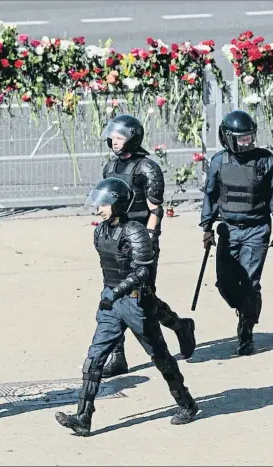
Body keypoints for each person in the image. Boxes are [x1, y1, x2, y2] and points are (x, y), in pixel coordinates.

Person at [55, 177, 198, 436]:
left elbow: (143, 270)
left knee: (161, 357)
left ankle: (186, 404)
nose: (98, 208)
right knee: (94, 359)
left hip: (134, 302)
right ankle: (83, 418)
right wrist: (110, 295)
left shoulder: (134, 230)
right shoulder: (100, 230)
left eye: (104, 204)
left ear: (119, 204)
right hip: (111, 303)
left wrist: (118, 292)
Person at [100, 114, 196, 378]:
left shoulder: (147, 168)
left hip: (140, 239)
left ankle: (180, 326)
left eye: (120, 137)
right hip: (116, 240)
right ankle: (117, 357)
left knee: (143, 299)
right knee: (112, 295)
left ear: (133, 138)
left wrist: (150, 241)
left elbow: (156, 209)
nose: (115, 142)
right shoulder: (110, 167)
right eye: (113, 137)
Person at [200, 110, 273, 355]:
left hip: (256, 230)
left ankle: (246, 329)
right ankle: (244, 308)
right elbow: (210, 196)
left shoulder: (265, 160)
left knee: (250, 283)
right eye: (241, 138)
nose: (247, 142)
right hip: (228, 231)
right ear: (228, 138)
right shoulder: (219, 162)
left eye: (250, 137)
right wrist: (207, 228)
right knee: (225, 284)